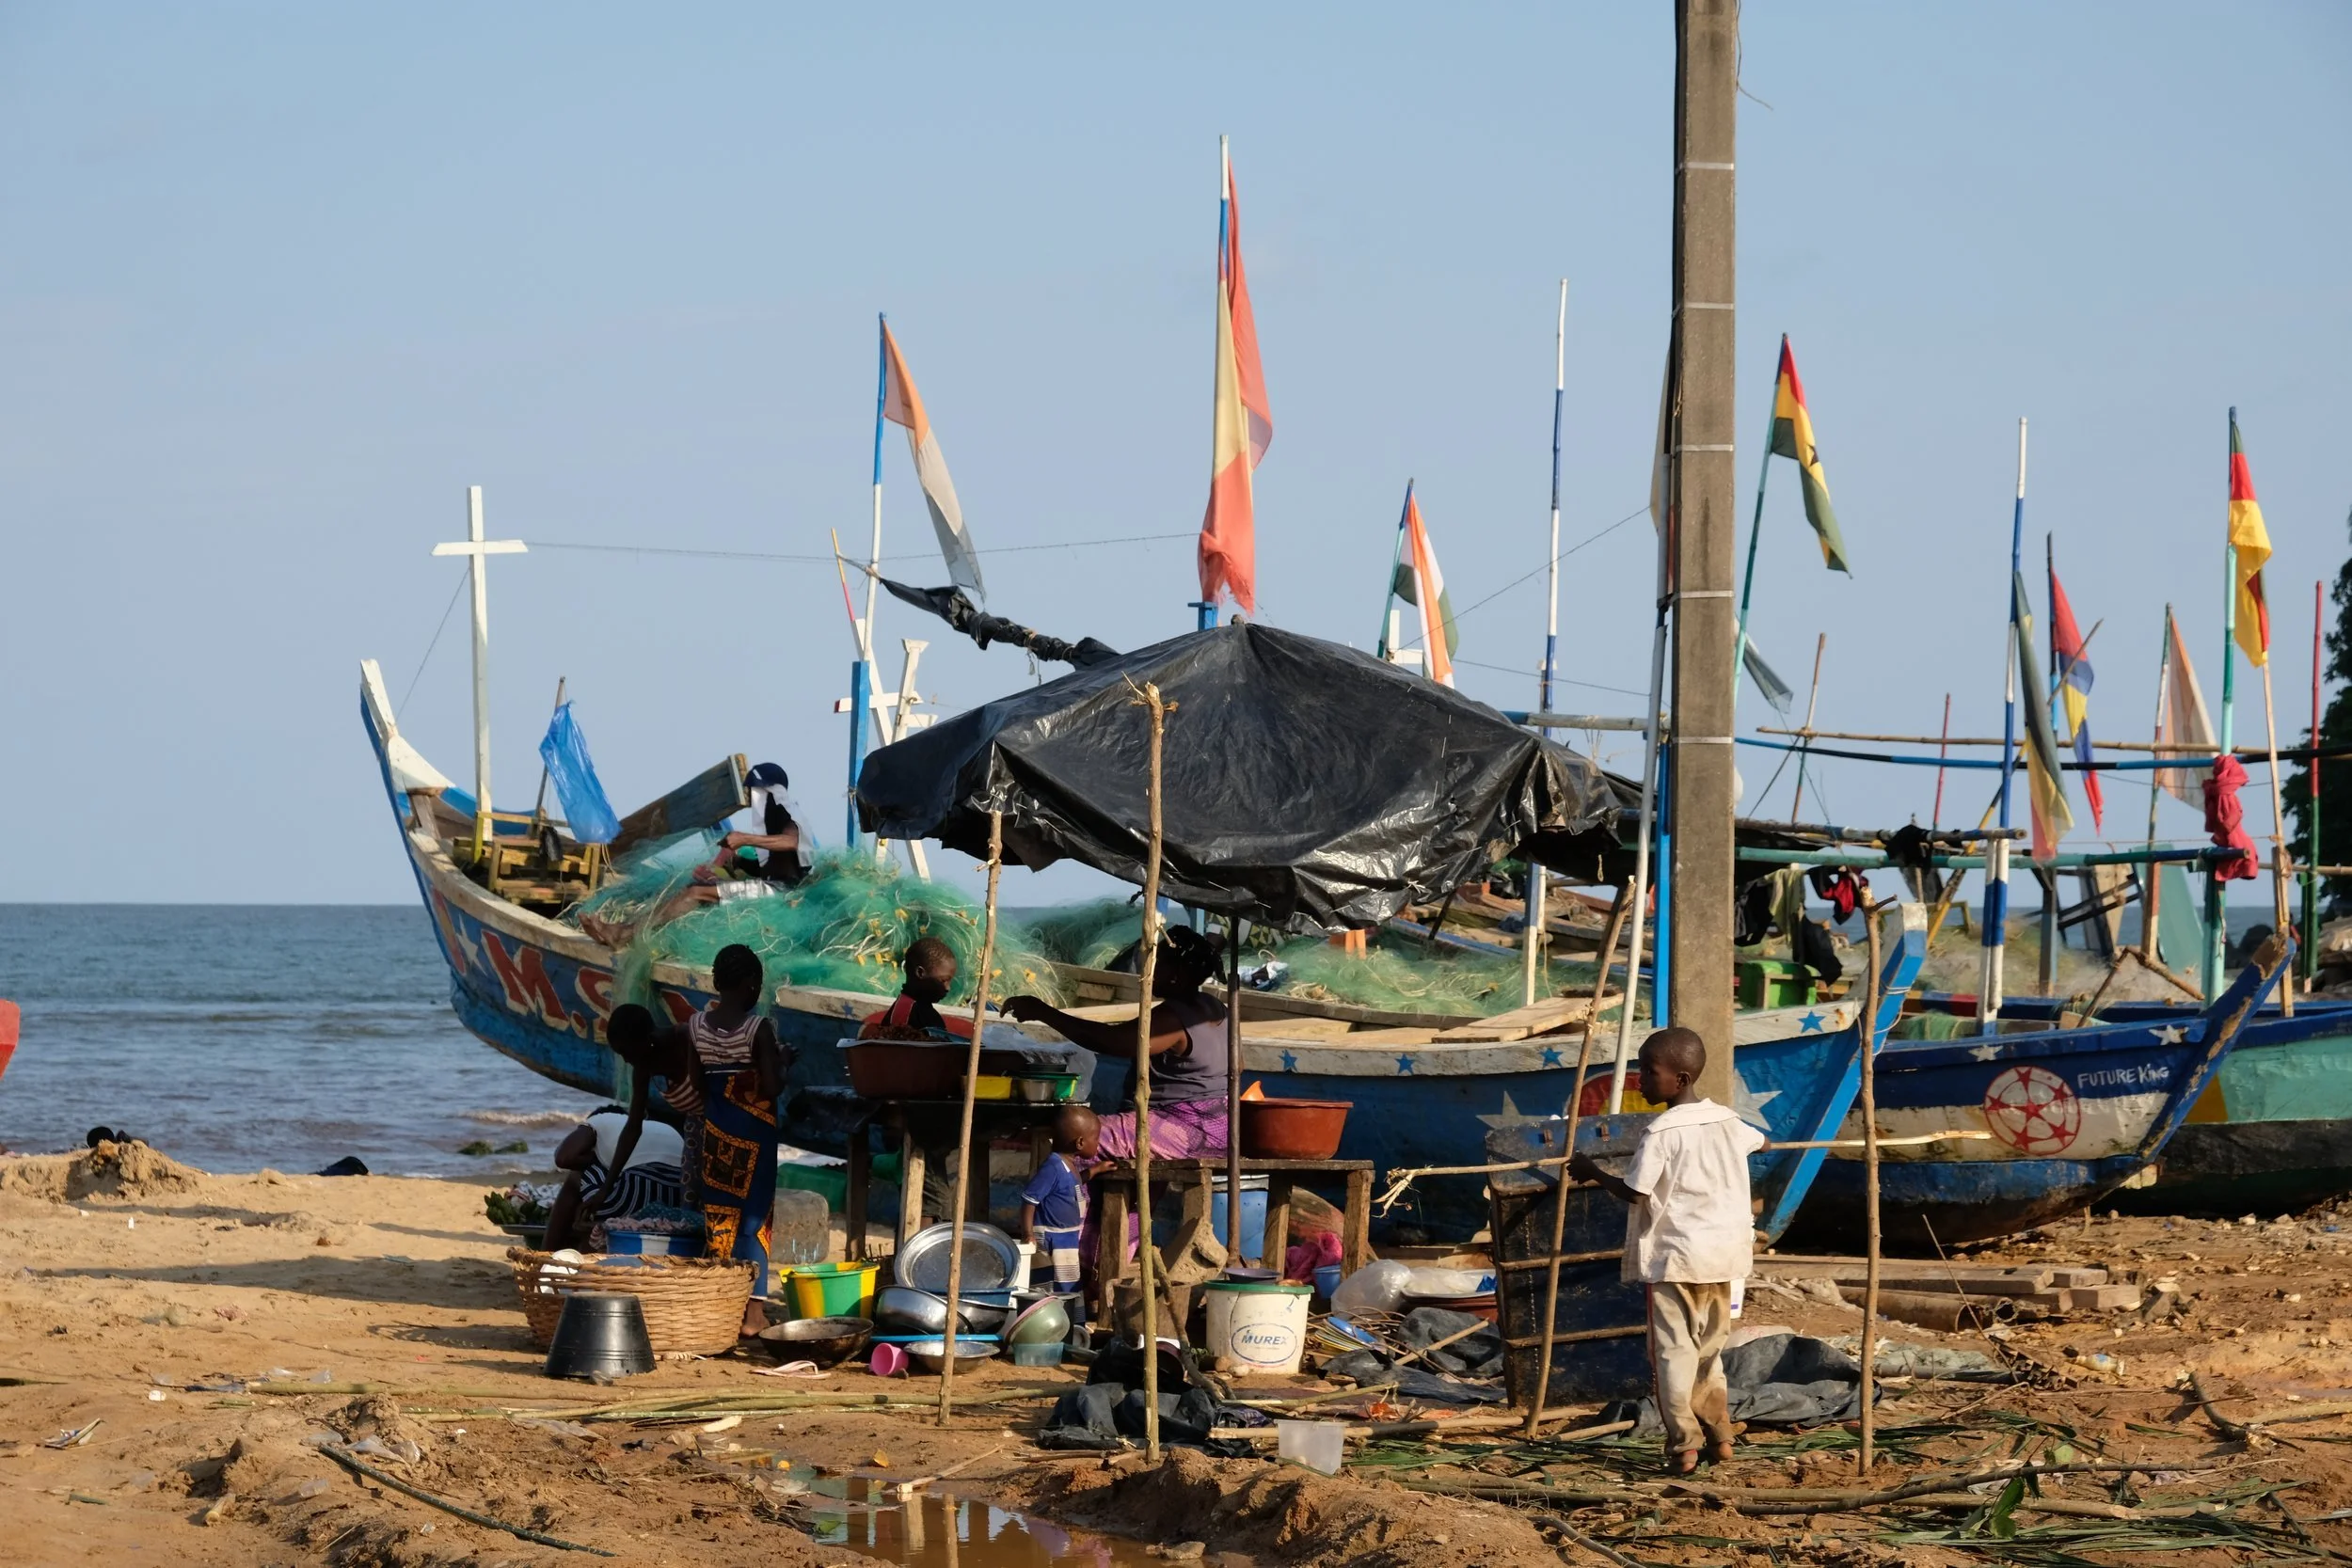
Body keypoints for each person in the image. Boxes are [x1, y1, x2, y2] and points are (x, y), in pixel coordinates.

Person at [1569, 1027, 1765, 1474]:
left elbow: (1636, 1192)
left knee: (1674, 1354)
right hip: (1725, 1258)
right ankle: (1721, 1436)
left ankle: (1684, 1447)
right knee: (1709, 1351)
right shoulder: (1728, 1120)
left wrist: (1591, 1171)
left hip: (1676, 1260)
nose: (1639, 1079)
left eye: (1647, 1071)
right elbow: (1762, 1143)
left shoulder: (1660, 1132)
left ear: (1679, 1078)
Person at [607, 954, 789, 1337]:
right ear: (753, 985)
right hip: (754, 1134)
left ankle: (722, 1301)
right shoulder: (759, 1029)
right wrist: (782, 1063)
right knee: (755, 1223)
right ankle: (753, 1315)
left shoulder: (694, 1028)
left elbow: (699, 1084)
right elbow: (771, 1087)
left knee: (720, 1218)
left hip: (716, 1136)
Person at [1000, 926, 1229, 1160]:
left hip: (1188, 1129)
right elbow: (1237, 1065)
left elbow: (1112, 1041)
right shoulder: (1216, 1007)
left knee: (1077, 1140)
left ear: (1176, 973)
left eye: (1158, 963)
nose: (1150, 969)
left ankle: (1076, 1197)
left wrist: (1044, 1013)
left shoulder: (1172, 1016)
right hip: (1219, 1125)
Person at [540, 1104, 688, 1253]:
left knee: (576, 1176)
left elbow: (564, 1158)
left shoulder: (599, 1120)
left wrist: (593, 1159)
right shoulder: (663, 1127)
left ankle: (546, 1255)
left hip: (637, 1189)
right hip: (678, 1198)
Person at [1020, 1105, 1099, 1322]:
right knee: (1053, 1283)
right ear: (1080, 1143)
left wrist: (1093, 1171)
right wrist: (1028, 1233)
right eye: (1096, 1139)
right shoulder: (1053, 1167)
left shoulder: (1069, 1165)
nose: (1098, 1144)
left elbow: (1067, 1188)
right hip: (1051, 1236)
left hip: (1066, 1236)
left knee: (1067, 1280)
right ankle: (1056, 1323)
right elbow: (1029, 1198)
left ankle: (1072, 1324)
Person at [858, 936, 971, 1039]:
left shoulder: (923, 1010)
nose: (948, 988)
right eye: (943, 980)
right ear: (920, 973)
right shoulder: (904, 1014)